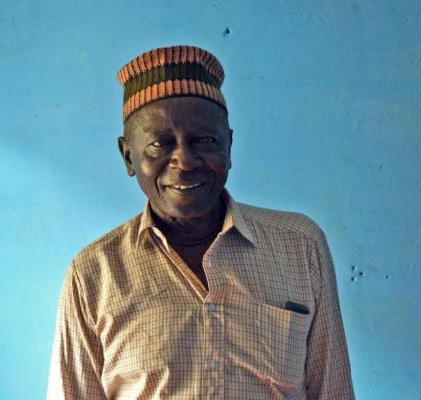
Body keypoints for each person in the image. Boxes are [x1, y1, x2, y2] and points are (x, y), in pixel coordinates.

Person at [46, 45, 355, 399]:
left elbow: (333, 392)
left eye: (204, 141)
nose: (185, 161)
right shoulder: (91, 276)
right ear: (128, 156)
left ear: (229, 146)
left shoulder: (301, 247)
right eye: (160, 144)